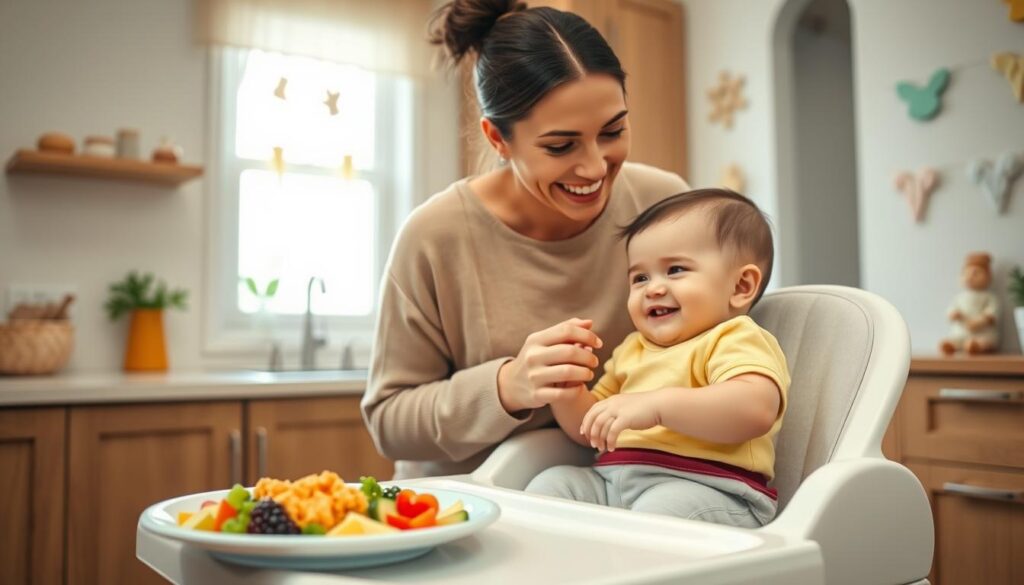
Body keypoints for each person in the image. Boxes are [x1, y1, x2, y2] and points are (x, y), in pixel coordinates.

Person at [360, 0, 690, 479]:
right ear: (498, 138)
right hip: (466, 508)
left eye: (613, 130)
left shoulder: (664, 203)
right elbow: (389, 421)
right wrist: (506, 385)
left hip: (626, 496)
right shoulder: (434, 236)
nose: (595, 167)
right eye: (561, 146)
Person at [525, 189, 790, 528]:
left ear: (740, 286)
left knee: (654, 517)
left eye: (675, 269)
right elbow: (591, 428)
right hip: (612, 484)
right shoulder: (632, 349)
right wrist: (568, 391)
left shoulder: (733, 337)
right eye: (640, 277)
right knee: (550, 485)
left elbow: (755, 409)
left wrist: (658, 406)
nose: (653, 288)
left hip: (709, 490)